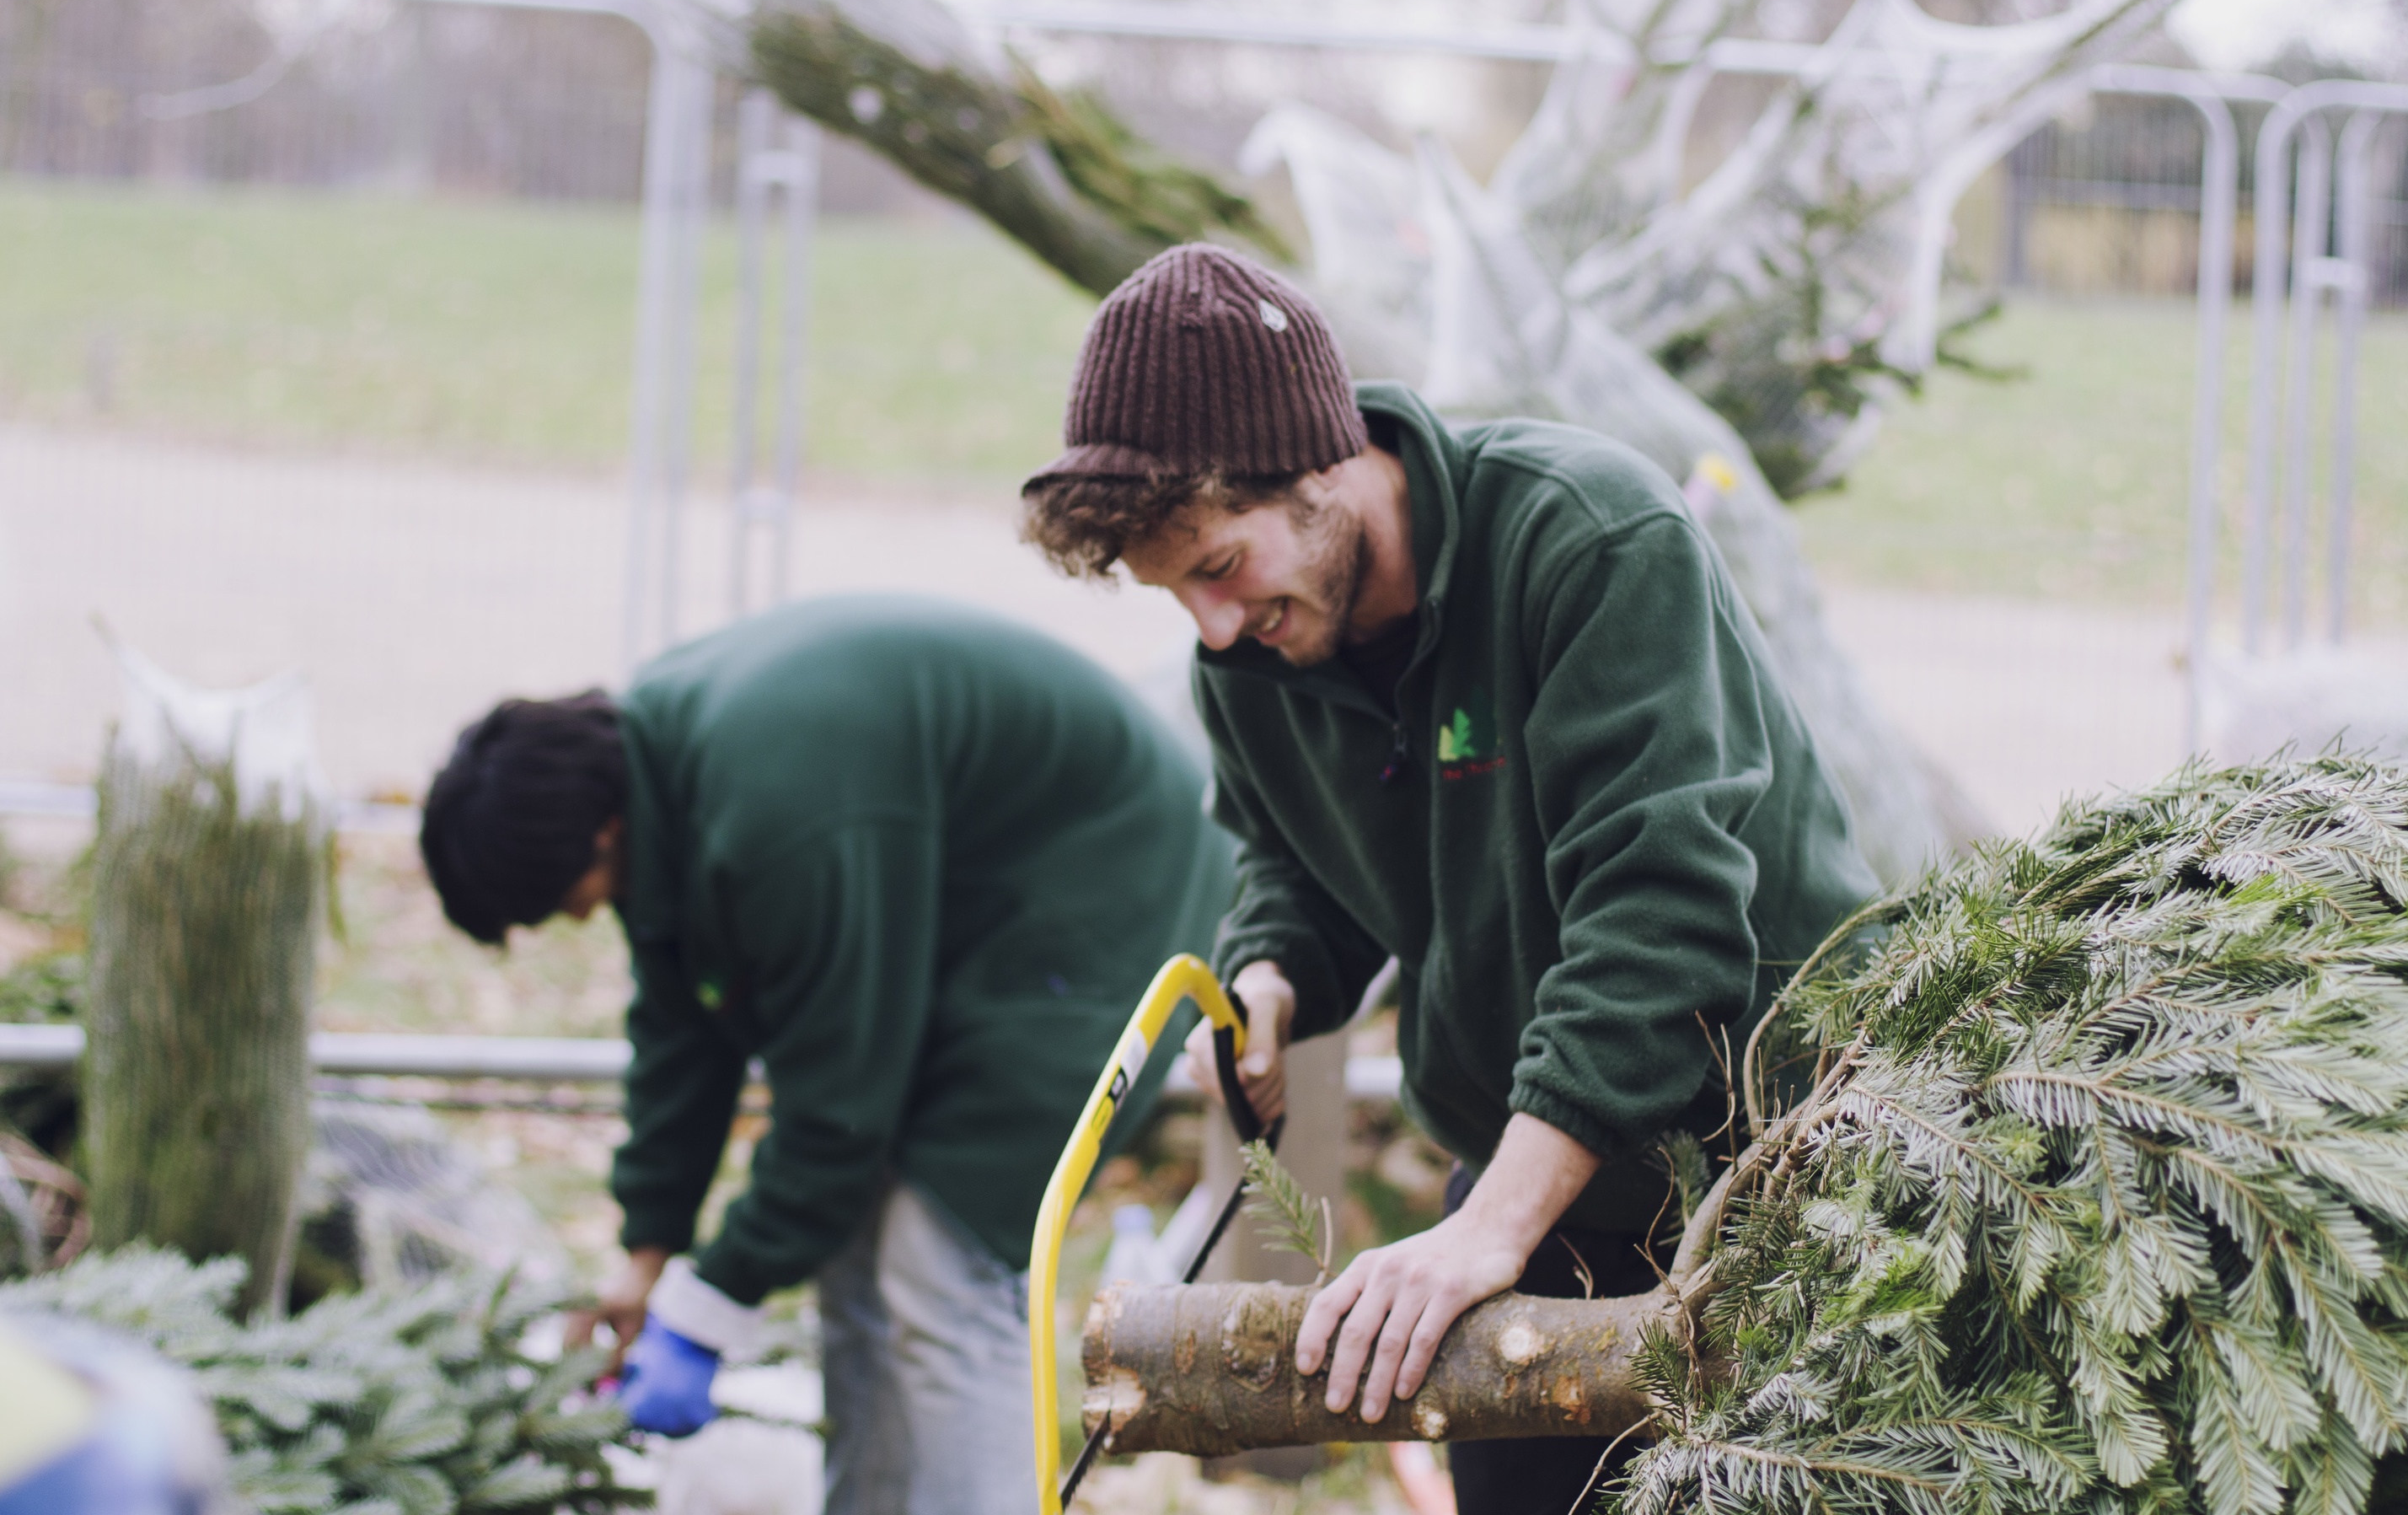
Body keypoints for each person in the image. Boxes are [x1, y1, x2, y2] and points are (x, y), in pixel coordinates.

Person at [1019, 244, 1880, 1514]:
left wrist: (1488, 1233)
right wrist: (1271, 976)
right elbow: (1294, 857)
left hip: (1773, 1170)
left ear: (1320, 463)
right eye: (1174, 595)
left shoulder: (1587, 542)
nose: (1209, 628)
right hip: (1533, 1179)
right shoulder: (1250, 660)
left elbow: (1660, 913)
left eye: (1218, 566)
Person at [418, 594, 1236, 1515]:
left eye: (561, 901)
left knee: (942, 1263)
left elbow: (841, 1107)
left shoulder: (781, 807)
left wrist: (709, 1309)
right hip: (966, 912)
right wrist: (648, 1260)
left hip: (1105, 894)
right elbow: (682, 1033)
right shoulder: (647, 774)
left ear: (599, 833)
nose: (571, 918)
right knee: (853, 1253)